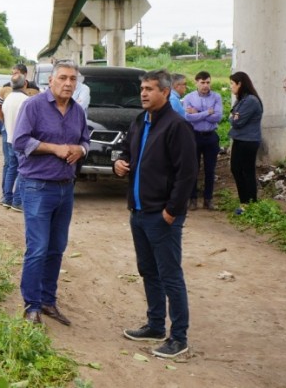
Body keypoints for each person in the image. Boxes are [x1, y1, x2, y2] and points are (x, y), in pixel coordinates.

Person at [113, 69, 197, 359]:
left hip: (161, 215)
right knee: (148, 270)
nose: (144, 94)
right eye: (142, 89)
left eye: (150, 89)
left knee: (170, 275)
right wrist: (119, 164)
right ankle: (155, 325)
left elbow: (187, 175)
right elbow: (125, 152)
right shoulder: (140, 121)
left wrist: (172, 212)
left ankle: (179, 337)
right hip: (138, 211)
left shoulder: (177, 126)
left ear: (165, 92)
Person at [12, 60, 91, 326]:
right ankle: (31, 305)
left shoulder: (77, 111)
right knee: (38, 248)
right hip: (37, 186)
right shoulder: (33, 106)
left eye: (73, 79)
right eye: (63, 78)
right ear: (51, 81)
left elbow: (85, 141)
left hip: (65, 188)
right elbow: (20, 142)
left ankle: (48, 301)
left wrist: (80, 150)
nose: (68, 83)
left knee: (57, 248)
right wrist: (54, 148)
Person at [183, 71, 222, 210]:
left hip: (210, 136)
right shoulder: (189, 97)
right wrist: (207, 112)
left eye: (208, 82)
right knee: (193, 168)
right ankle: (192, 199)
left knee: (210, 170)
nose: (205, 85)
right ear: (196, 82)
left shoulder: (216, 97)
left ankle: (208, 199)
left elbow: (217, 117)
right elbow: (188, 117)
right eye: (202, 82)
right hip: (194, 136)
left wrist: (198, 112)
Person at [228, 72, 263, 215]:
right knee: (236, 169)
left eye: (232, 83)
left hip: (248, 141)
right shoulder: (242, 99)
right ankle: (245, 201)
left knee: (246, 171)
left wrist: (233, 116)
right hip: (240, 139)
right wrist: (233, 116)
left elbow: (237, 121)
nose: (231, 87)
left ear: (240, 84)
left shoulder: (250, 101)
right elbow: (233, 115)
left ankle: (250, 203)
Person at [1, 73, 31, 212]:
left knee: (11, 169)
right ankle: (17, 201)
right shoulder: (26, 100)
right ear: (25, 84)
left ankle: (7, 198)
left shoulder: (7, 99)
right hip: (22, 141)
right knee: (23, 172)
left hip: (9, 138)